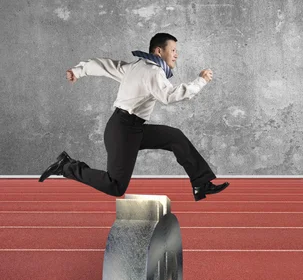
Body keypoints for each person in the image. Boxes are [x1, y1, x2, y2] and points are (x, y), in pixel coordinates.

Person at [39, 33, 228, 201]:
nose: (176, 54)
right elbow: (169, 96)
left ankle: (201, 183)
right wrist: (200, 81)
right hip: (123, 131)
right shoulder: (153, 72)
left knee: (175, 137)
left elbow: (105, 65)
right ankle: (66, 167)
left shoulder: (136, 66)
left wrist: (78, 71)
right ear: (159, 51)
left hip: (130, 127)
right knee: (115, 186)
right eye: (173, 50)